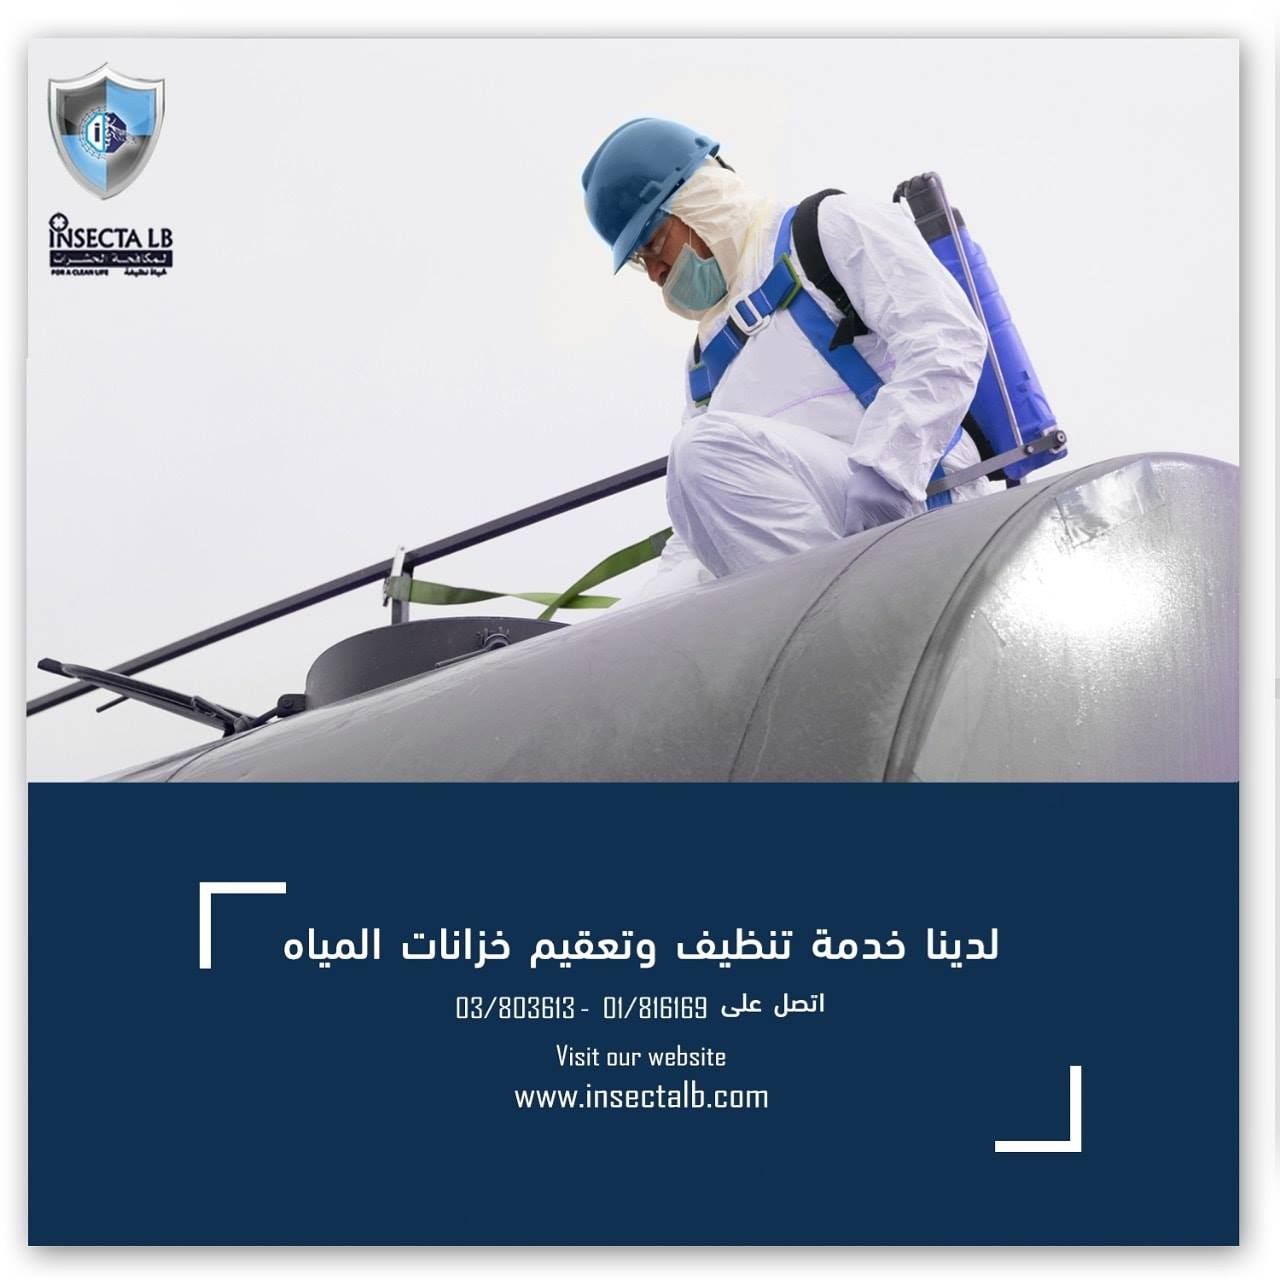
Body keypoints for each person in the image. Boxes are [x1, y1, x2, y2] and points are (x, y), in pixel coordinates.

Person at [581, 117, 994, 599]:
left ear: (698, 203)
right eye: (638, 260)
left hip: (912, 501)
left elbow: (946, 338)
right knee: (637, 616)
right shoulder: (704, 360)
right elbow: (703, 510)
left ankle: (835, 627)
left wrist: (887, 469)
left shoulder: (826, 227)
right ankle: (817, 629)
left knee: (700, 451)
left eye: (652, 243)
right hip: (817, 547)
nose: (654, 272)